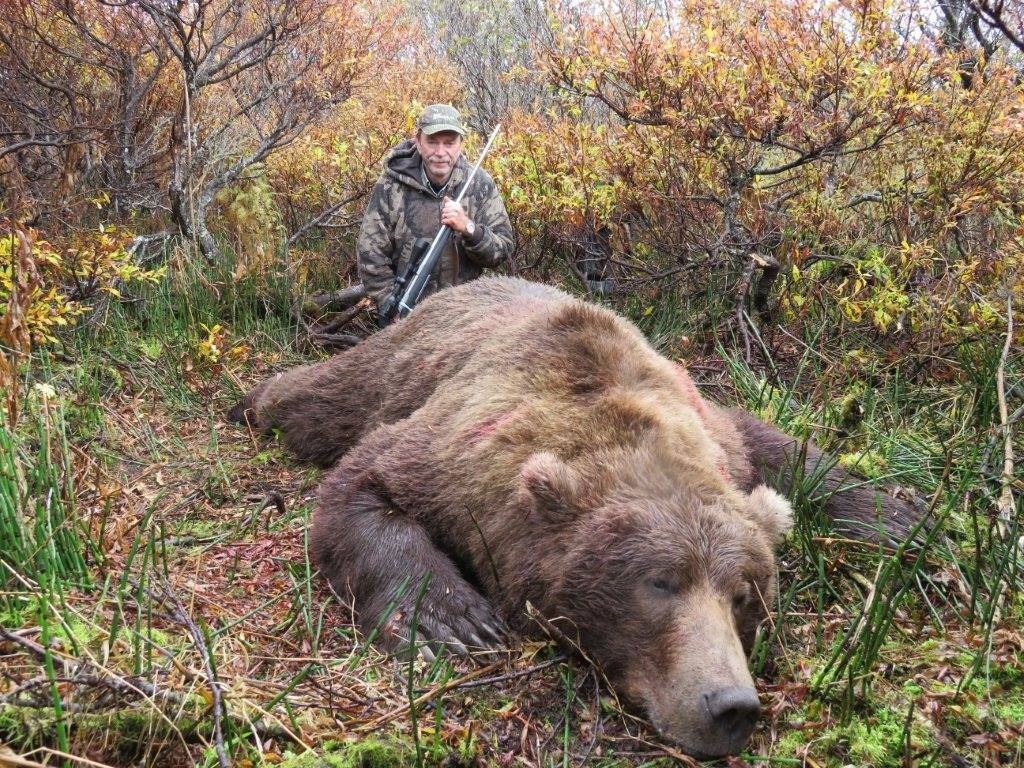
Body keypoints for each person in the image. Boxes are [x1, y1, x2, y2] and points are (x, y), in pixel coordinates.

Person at [357, 104, 514, 322]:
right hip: (407, 316)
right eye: (432, 142)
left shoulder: (480, 184)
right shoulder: (390, 186)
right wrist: (389, 303)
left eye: (449, 143)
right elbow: (370, 254)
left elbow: (502, 250)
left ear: (460, 144)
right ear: (418, 142)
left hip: (465, 315)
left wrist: (469, 229)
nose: (440, 153)